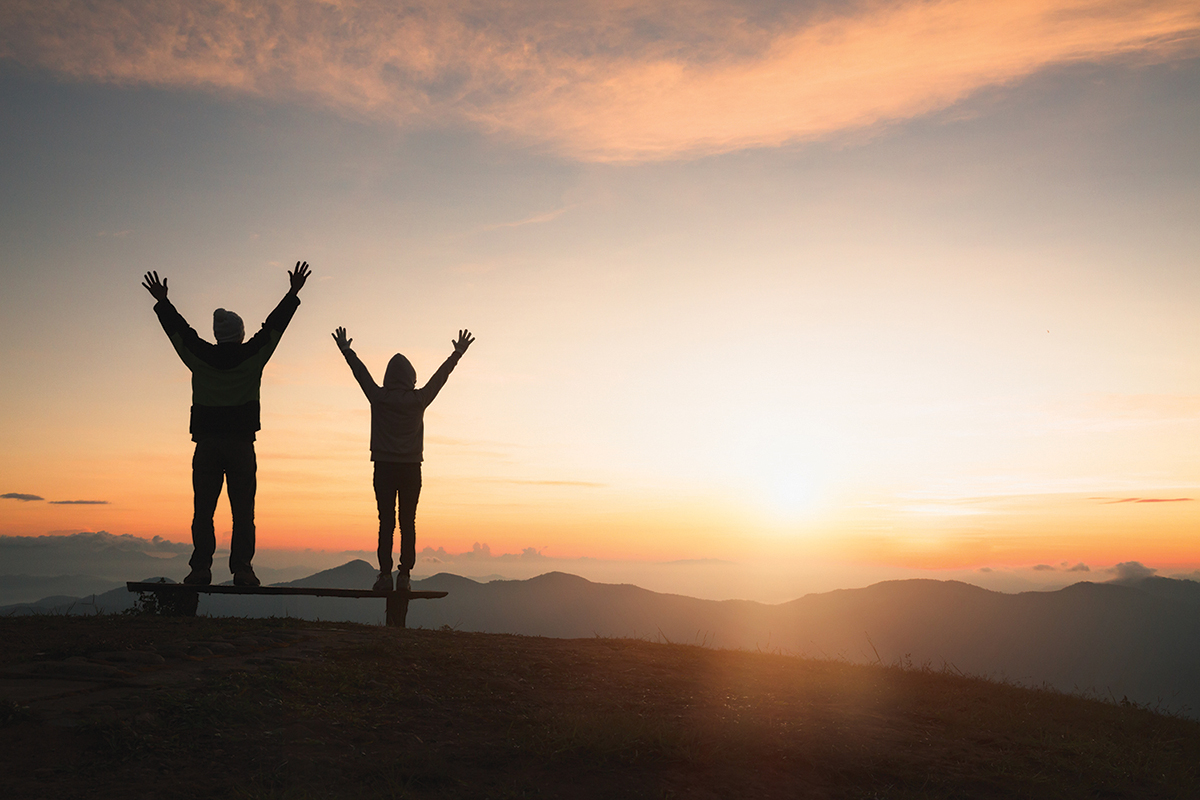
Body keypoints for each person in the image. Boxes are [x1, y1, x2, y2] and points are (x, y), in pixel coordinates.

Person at [142, 262, 311, 587]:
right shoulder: (253, 357)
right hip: (240, 446)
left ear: (219, 336)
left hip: (206, 445)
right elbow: (275, 328)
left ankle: (200, 569)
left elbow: (180, 332)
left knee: (203, 511)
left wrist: (163, 302)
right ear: (241, 334)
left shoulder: (198, 357)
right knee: (243, 512)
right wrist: (292, 293)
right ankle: (243, 570)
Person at [332, 325, 474, 593]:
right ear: (411, 377)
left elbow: (360, 374)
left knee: (386, 521)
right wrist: (457, 353)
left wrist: (346, 350)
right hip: (411, 469)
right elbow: (439, 378)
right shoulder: (418, 399)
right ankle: (405, 576)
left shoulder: (379, 397)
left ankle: (385, 575)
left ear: (388, 376)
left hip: (383, 468)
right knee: (408, 522)